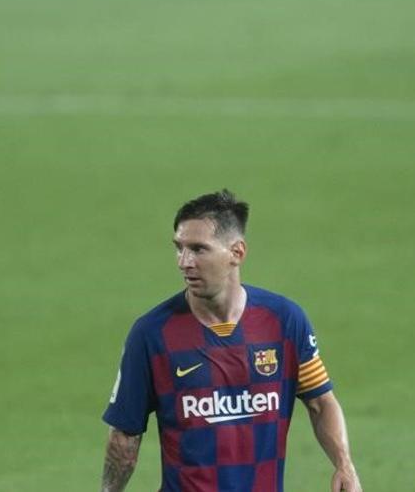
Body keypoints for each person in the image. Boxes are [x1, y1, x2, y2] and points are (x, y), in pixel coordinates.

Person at [101, 189, 362, 492]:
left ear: (237, 253)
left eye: (198, 249)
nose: (184, 262)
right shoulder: (151, 334)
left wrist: (345, 465)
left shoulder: (284, 322)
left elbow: (320, 401)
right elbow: (124, 436)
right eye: (179, 248)